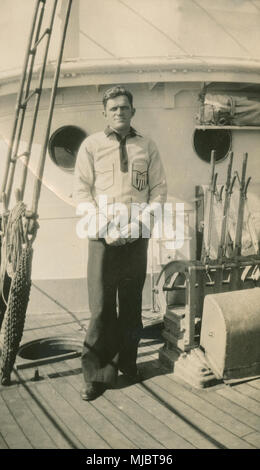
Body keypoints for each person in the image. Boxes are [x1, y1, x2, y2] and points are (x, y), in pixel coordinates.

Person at [73, 85, 167, 401]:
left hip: (136, 239)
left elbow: (159, 192)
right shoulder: (91, 146)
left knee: (130, 306)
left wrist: (138, 225)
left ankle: (127, 364)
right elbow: (82, 192)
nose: (119, 112)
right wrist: (105, 228)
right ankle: (97, 376)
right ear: (105, 113)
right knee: (101, 308)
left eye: (124, 107)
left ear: (133, 111)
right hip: (102, 238)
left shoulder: (147, 146)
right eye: (113, 108)